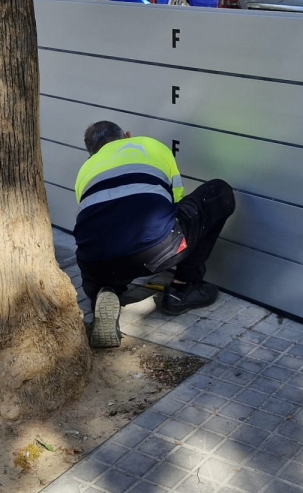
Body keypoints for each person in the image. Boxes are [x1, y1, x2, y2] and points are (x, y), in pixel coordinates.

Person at [74, 121, 235, 348]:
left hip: (95, 261)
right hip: (156, 250)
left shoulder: (86, 169)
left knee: (103, 245)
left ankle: (103, 292)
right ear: (127, 136)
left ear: (91, 154)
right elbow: (176, 201)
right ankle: (183, 288)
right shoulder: (150, 146)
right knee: (218, 192)